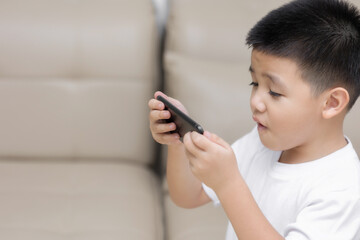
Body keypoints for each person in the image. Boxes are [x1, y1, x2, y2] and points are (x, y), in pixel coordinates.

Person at [148, 0, 360, 239]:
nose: (255, 101)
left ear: (332, 103)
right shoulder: (262, 143)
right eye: (254, 83)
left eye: (274, 92)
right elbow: (187, 196)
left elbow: (228, 186)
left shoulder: (343, 188)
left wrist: (229, 184)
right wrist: (178, 140)